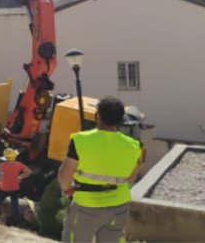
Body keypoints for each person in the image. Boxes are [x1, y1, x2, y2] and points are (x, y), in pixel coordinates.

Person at [58, 96, 144, 243]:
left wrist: (68, 189)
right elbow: (132, 177)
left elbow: (64, 178)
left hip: (85, 207)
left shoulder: (80, 140)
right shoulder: (134, 146)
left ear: (97, 115)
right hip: (117, 208)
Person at [0, 147, 32, 225]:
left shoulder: (3, 165)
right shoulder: (19, 164)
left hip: (4, 188)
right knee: (15, 207)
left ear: (6, 157)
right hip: (15, 188)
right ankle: (17, 223)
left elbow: (2, 178)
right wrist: (20, 177)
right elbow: (29, 171)